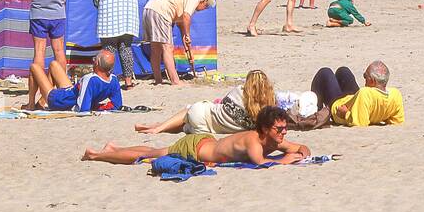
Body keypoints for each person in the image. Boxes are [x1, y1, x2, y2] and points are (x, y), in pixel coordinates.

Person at [83, 105, 309, 166]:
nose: (283, 133)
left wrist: (302, 152)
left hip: (206, 143)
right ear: (265, 129)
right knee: (149, 156)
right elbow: (261, 163)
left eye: (284, 128)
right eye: (279, 129)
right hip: (194, 149)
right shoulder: (253, 141)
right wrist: (286, 161)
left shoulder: (273, 139)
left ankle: (113, 149)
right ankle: (98, 155)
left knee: (153, 153)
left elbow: (300, 148)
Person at [136, 69, 277, 137]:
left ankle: (157, 128)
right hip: (208, 128)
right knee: (185, 125)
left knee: (190, 110)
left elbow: (222, 103)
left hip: (202, 114)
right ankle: (157, 127)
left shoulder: (239, 91)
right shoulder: (267, 109)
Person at [141, 0, 215, 86]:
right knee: (167, 47)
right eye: (206, 6)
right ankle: (175, 81)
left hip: (148, 9)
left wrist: (187, 46)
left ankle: (158, 80)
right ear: (204, 1)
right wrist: (188, 35)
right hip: (162, 11)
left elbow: (181, 26)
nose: (203, 9)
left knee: (156, 48)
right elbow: (186, 16)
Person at [310, 60, 404, 125]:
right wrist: (380, 115)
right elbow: (397, 120)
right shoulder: (395, 94)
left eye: (365, 76)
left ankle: (315, 113)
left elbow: (359, 122)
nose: (364, 80)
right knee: (343, 71)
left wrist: (345, 114)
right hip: (354, 99)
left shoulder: (365, 93)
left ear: (372, 81)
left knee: (325, 72)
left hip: (339, 108)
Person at [27, 48, 122, 112]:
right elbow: (117, 105)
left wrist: (94, 107)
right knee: (54, 64)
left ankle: (31, 105)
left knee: (33, 67)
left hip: (59, 100)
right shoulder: (113, 79)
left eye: (94, 59)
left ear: (96, 63)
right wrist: (99, 107)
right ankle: (41, 102)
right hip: (70, 92)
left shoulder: (89, 79)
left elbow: (82, 108)